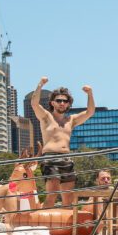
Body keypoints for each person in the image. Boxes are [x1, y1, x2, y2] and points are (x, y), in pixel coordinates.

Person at [31, 77, 95, 209]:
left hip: (66, 159)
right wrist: (40, 85)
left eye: (65, 101)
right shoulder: (46, 117)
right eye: (58, 100)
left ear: (68, 104)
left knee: (68, 199)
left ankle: (68, 228)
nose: (61, 103)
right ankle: (44, 227)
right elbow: (34, 104)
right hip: (50, 158)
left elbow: (90, 112)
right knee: (52, 194)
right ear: (52, 103)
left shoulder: (71, 120)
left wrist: (90, 93)